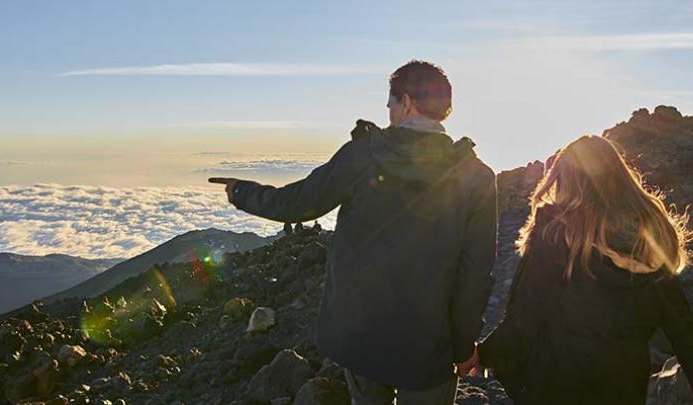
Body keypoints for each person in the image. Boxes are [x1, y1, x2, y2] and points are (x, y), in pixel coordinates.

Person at [210, 60, 497, 404]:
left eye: (390, 103)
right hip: (430, 346)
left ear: (405, 102)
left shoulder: (364, 156)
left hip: (363, 338)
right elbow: (476, 273)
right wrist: (465, 346)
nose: (388, 110)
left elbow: (299, 203)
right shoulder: (476, 176)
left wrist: (242, 192)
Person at [478, 135, 693, 405]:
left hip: (558, 384)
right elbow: (683, 328)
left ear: (565, 180)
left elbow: (525, 313)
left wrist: (482, 354)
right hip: (623, 387)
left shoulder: (557, 232)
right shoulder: (649, 239)